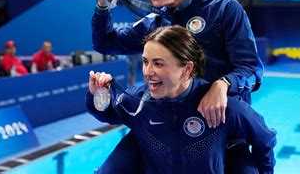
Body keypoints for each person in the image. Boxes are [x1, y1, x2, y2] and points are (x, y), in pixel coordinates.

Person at [92, 0, 264, 173]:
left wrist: (223, 84)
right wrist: (102, 7)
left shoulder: (223, 9)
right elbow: (106, 43)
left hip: (223, 131)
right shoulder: (154, 22)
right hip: (164, 127)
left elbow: (252, 70)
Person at [87, 25, 276, 174]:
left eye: (158, 64)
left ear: (186, 69)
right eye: (145, 62)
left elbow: (265, 139)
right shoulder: (138, 101)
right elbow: (108, 112)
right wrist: (98, 95)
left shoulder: (219, 105)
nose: (148, 72)